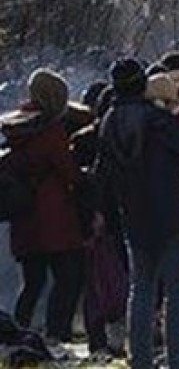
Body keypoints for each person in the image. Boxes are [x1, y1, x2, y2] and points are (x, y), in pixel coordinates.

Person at [96, 58, 179, 369]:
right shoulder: (157, 119)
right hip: (173, 217)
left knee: (141, 291)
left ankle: (140, 361)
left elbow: (102, 177)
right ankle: (177, 361)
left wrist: (110, 216)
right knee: (177, 294)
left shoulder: (107, 124)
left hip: (135, 219)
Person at [1, 69, 87, 348]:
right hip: (53, 217)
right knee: (67, 278)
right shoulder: (50, 130)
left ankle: (17, 335)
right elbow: (68, 171)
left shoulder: (18, 125)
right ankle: (56, 334)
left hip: (24, 217)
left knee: (32, 283)